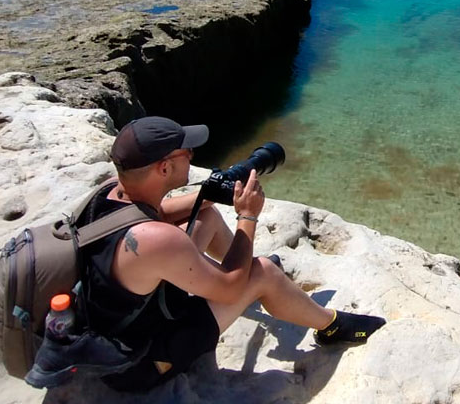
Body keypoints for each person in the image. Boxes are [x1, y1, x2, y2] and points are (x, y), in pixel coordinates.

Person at [69, 116, 385, 391]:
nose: (192, 153)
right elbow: (231, 286)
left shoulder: (110, 190)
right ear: (164, 167)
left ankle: (245, 266)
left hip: (117, 317)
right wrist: (248, 216)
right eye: (185, 151)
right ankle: (330, 326)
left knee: (207, 218)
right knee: (262, 272)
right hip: (140, 362)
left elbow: (159, 212)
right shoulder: (156, 242)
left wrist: (214, 191)